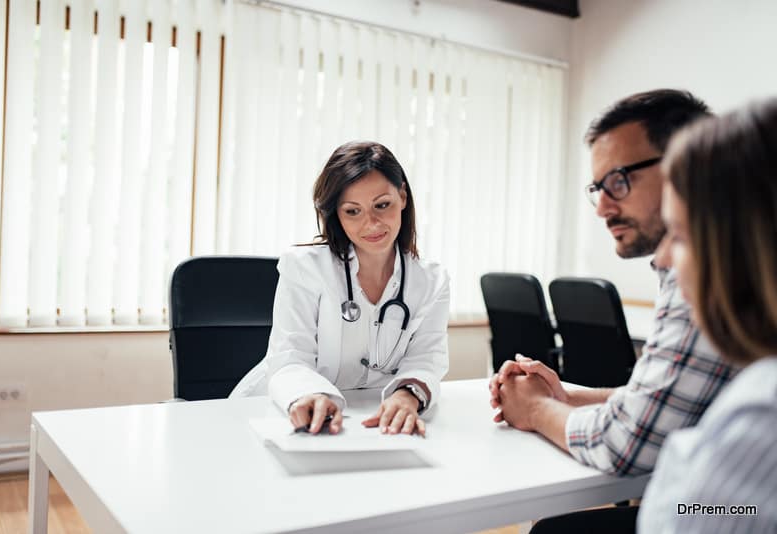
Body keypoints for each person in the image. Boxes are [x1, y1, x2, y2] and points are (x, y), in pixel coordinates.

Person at [489, 89, 735, 476]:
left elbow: (629, 445)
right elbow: (669, 403)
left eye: (618, 181)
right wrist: (566, 395)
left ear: (686, 168)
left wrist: (537, 408)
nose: (602, 207)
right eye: (597, 188)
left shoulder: (714, 267)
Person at [230, 141, 449, 437]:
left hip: (372, 422)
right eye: (352, 211)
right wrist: (307, 394)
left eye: (382, 205)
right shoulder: (304, 268)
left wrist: (406, 395)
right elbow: (290, 358)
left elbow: (426, 358)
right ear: (337, 214)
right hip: (284, 414)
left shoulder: (431, 280)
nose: (371, 223)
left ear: (403, 197)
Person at [637, 99, 777, 532]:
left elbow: (711, 514)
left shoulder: (759, 417)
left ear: (745, 250)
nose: (662, 259)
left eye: (677, 234)